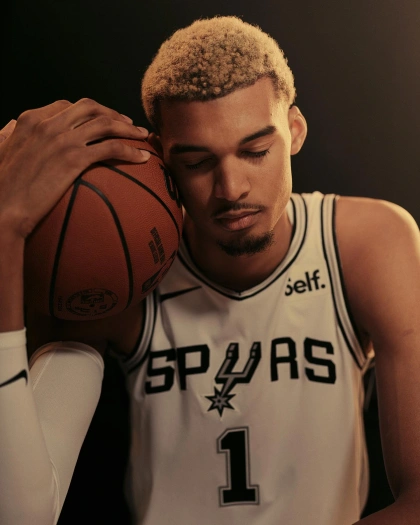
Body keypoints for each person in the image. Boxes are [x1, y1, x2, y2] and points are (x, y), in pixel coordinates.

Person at [0, 15, 419, 525]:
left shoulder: (365, 243)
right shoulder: (117, 272)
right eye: (197, 162)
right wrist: (5, 230)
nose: (231, 187)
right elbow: (21, 513)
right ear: (160, 159)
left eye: (256, 150)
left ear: (295, 131)